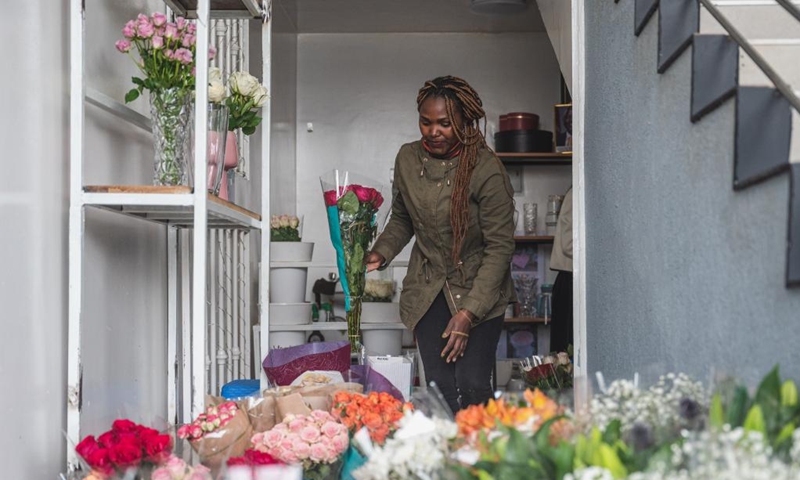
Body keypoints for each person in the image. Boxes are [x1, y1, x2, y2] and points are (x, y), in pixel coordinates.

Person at [365, 76, 516, 413]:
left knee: (474, 385)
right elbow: (403, 218)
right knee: (438, 388)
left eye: (445, 123)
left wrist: (468, 313)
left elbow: (500, 248)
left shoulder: (486, 169)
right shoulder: (408, 159)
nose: (434, 131)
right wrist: (381, 251)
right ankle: (445, 457)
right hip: (428, 287)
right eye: (426, 121)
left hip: (479, 287)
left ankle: (480, 457)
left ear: (464, 121)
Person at [549, 186, 573, 353]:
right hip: (570, 278)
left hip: (571, 279)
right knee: (566, 352)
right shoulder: (578, 192)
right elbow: (570, 244)